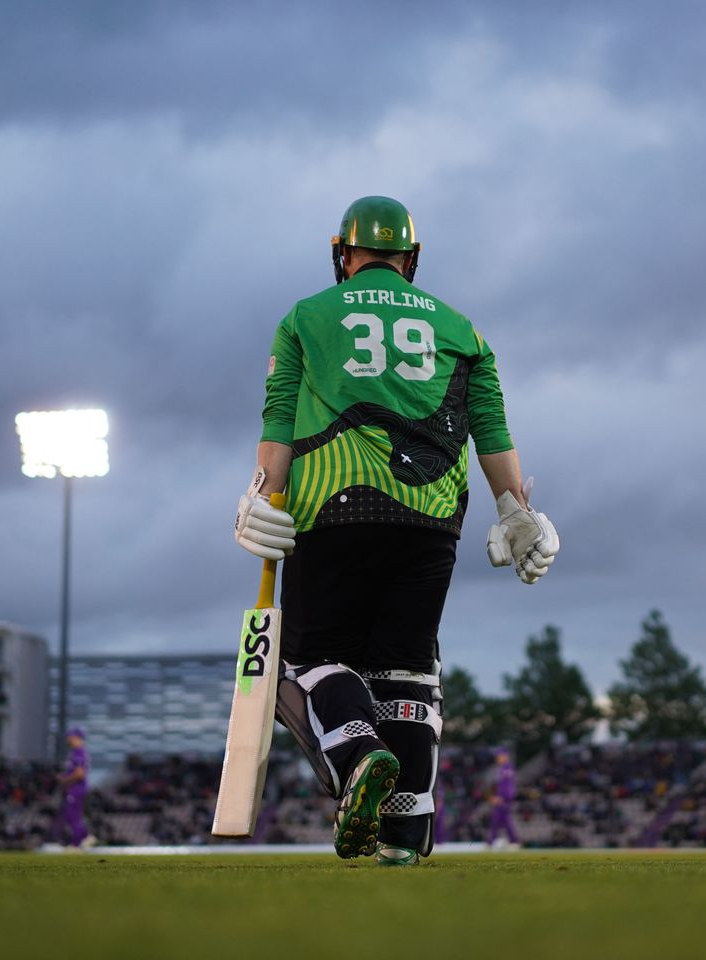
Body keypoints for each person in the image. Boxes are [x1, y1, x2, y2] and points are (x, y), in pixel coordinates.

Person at [234, 196, 560, 867]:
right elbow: (492, 433)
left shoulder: (305, 318)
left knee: (312, 655)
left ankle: (359, 753)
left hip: (334, 507)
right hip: (432, 521)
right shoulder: (461, 328)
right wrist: (516, 511)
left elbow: (279, 424)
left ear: (342, 254)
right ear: (410, 259)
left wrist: (262, 495)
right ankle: (407, 832)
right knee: (408, 666)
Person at [59, 727, 95, 848]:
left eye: (70, 737)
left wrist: (65, 780)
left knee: (72, 815)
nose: (68, 739)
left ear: (76, 738)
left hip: (76, 789)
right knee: (72, 815)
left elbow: (79, 774)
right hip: (75, 788)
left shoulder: (79, 752)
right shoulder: (76, 752)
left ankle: (77, 842)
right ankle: (85, 836)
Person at [486, 748, 520, 850]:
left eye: (499, 756)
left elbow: (507, 786)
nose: (497, 758)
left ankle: (513, 841)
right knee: (500, 819)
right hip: (503, 797)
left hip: (505, 798)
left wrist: (501, 797)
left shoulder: (507, 768)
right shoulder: (503, 768)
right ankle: (493, 841)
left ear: (505, 756)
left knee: (502, 819)